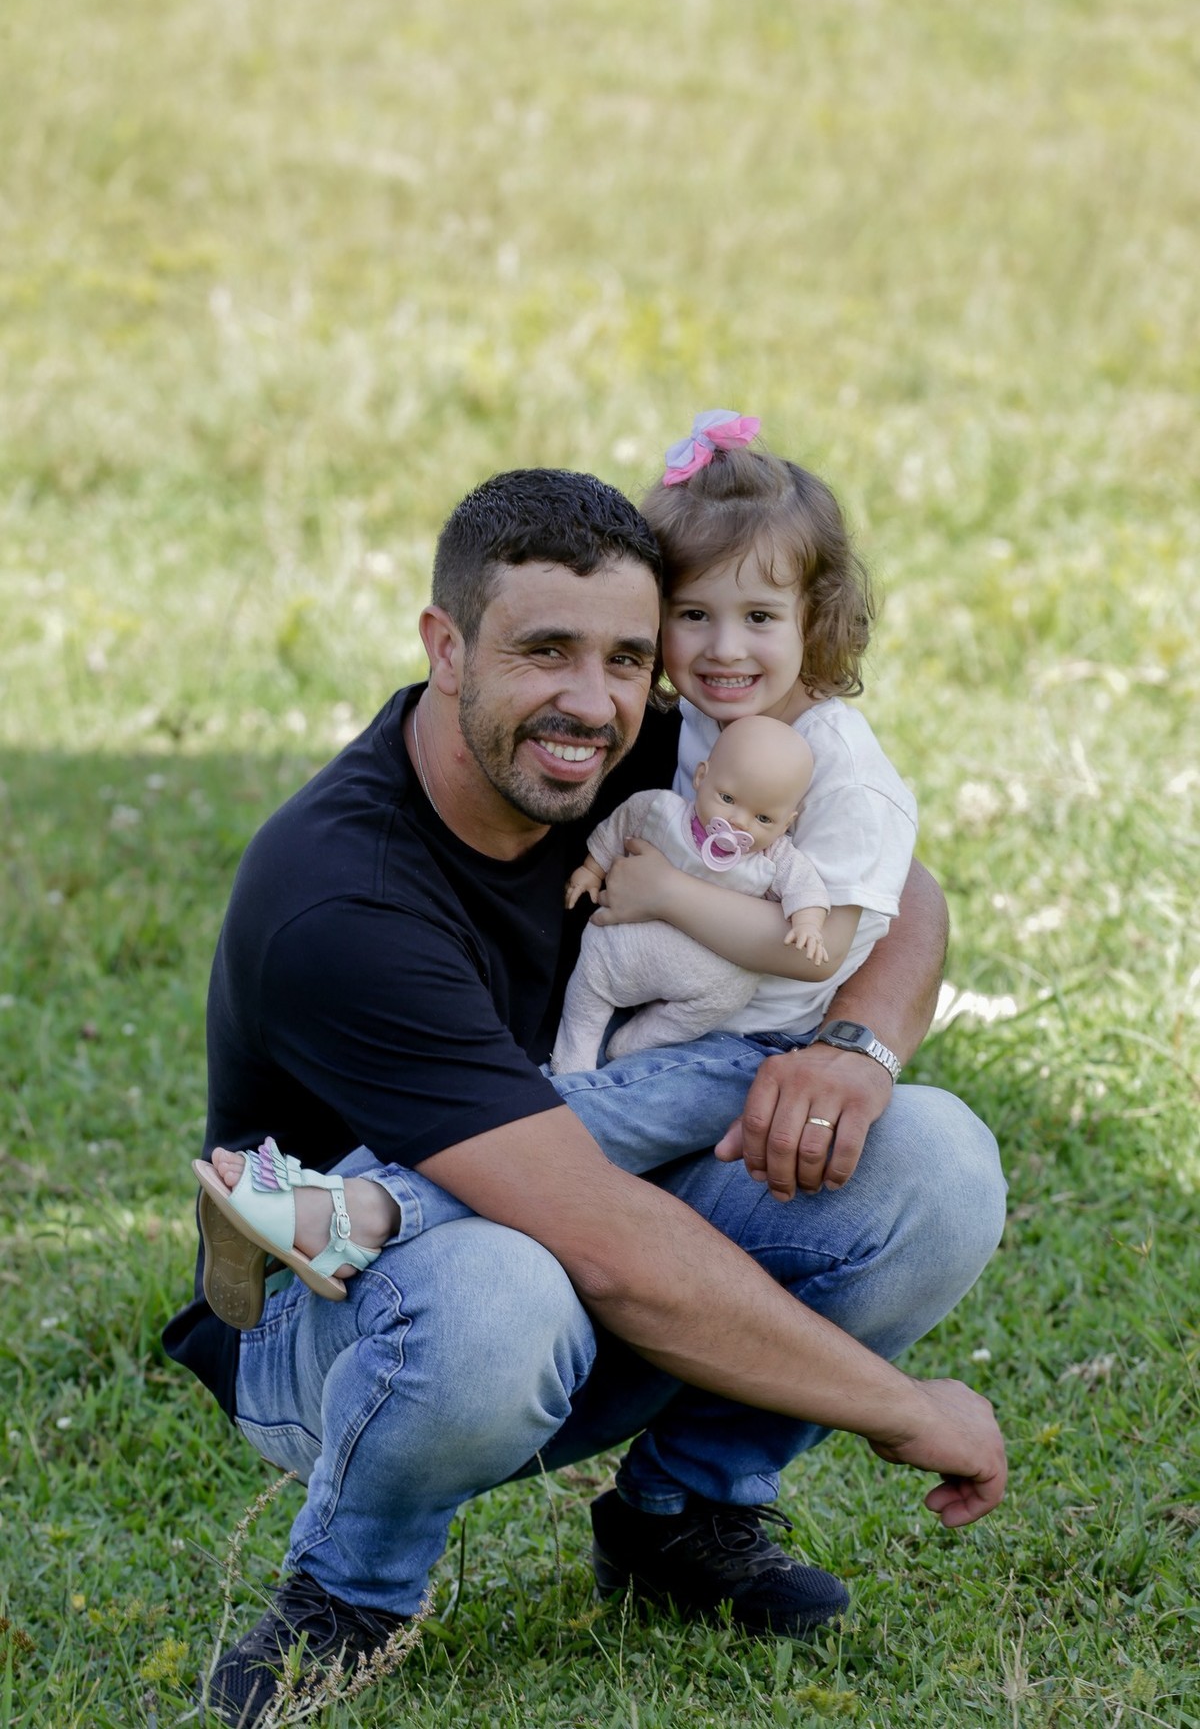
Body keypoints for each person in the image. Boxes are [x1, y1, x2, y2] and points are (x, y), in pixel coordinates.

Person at [163, 467, 1007, 1728]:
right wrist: (906, 1410)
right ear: (446, 647)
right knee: (501, 1290)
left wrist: (853, 1047)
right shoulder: (340, 897)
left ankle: (682, 1515)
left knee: (933, 1161)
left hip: (594, 1232)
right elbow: (605, 1243)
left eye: (626, 658)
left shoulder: (660, 747)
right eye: (544, 651)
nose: (591, 701)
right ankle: (348, 1596)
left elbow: (904, 892)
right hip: (343, 1317)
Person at [547, 408, 920, 1188]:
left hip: (750, 1050)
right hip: (653, 1001)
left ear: (814, 618)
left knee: (562, 1132)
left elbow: (812, 949)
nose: (724, 649)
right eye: (693, 615)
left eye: (759, 617)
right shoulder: (701, 718)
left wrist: (666, 893)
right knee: (561, 1098)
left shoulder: (845, 773)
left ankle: (374, 1199)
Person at [550, 713, 831, 1074]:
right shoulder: (660, 809)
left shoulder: (775, 857)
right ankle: (572, 1061)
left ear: (787, 822)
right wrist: (592, 869)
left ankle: (636, 1041)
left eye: (764, 819)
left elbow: (805, 887)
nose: (739, 822)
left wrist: (808, 922)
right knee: (589, 983)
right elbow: (618, 827)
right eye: (727, 798)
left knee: (729, 995)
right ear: (701, 777)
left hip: (703, 980)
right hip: (621, 951)